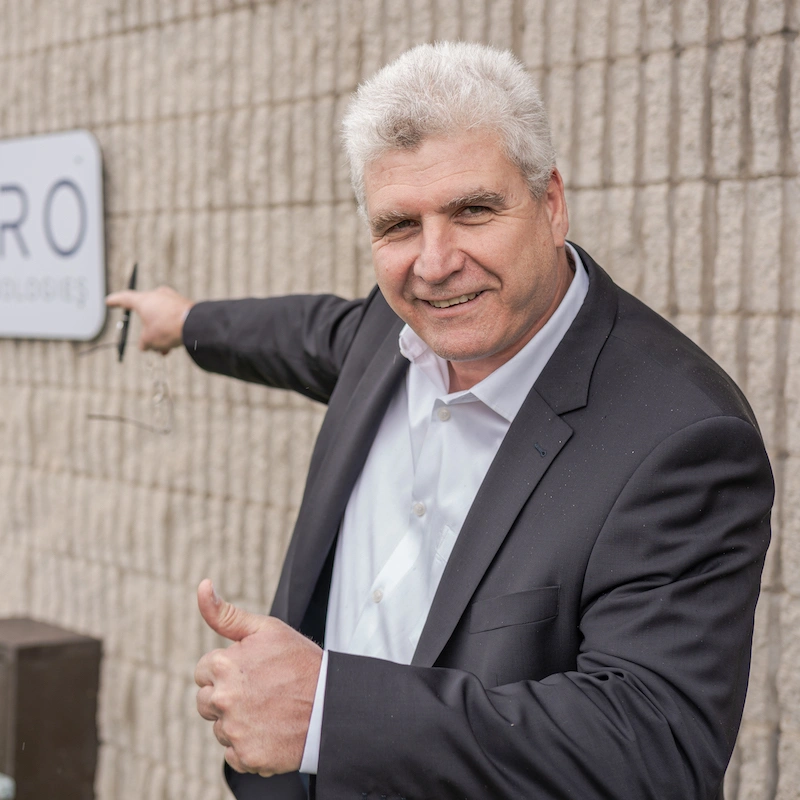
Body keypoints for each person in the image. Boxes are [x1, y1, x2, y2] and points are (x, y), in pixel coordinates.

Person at [107, 42, 773, 800]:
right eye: (398, 225)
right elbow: (304, 334)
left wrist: (327, 712)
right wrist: (186, 321)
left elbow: (655, 753)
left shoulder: (684, 439)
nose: (433, 262)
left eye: (473, 210)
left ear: (551, 203)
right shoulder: (384, 337)